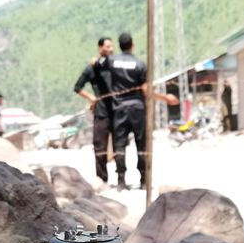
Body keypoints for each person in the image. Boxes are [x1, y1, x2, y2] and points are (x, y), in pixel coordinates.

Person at [95, 32, 178, 191]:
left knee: (120, 145)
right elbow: (146, 91)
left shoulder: (112, 61)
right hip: (137, 108)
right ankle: (143, 180)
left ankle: (121, 181)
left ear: (119, 46)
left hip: (119, 108)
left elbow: (98, 64)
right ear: (132, 45)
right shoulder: (139, 64)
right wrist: (165, 98)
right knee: (141, 144)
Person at [74, 37, 114, 184]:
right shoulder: (92, 68)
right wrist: (91, 97)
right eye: (108, 47)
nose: (111, 49)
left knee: (120, 147)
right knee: (100, 147)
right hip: (101, 112)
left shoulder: (115, 66)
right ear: (100, 48)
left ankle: (121, 178)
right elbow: (77, 87)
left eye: (112, 47)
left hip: (117, 111)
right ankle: (102, 180)